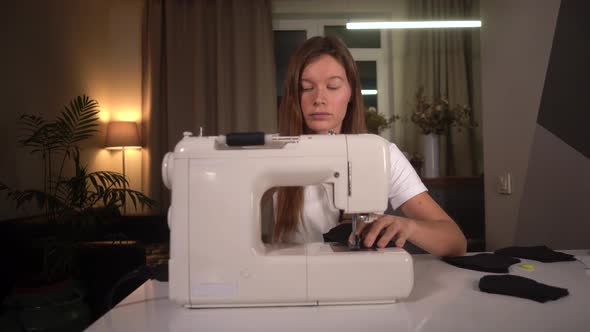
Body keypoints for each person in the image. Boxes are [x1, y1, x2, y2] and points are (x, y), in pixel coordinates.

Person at [273, 36, 466, 257]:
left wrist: (410, 227)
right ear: (293, 97)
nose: (319, 98)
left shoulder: (382, 154)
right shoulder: (271, 156)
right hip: (293, 283)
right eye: (306, 88)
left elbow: (455, 242)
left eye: (333, 86)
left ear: (351, 94)